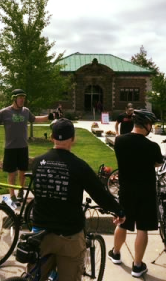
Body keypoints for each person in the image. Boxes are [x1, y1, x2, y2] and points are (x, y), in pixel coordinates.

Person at [31, 118, 125, 280]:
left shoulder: (38, 162)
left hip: (40, 232)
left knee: (35, 276)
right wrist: (118, 210)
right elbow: (99, 193)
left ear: (52, 137)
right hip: (69, 233)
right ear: (73, 139)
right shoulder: (78, 165)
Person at [109, 109, 163, 278]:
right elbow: (157, 163)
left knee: (123, 223)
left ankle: (116, 253)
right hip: (146, 190)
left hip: (126, 189)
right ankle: (138, 265)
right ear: (146, 125)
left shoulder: (120, 141)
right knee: (143, 228)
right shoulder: (152, 146)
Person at [0, 89, 55, 202]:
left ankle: (21, 191)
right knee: (12, 173)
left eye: (23, 98)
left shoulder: (26, 111)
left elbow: (35, 118)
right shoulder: (5, 112)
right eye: (20, 98)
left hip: (23, 147)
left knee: (22, 172)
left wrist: (50, 116)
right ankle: (12, 195)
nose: (22, 100)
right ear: (14, 99)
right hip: (10, 148)